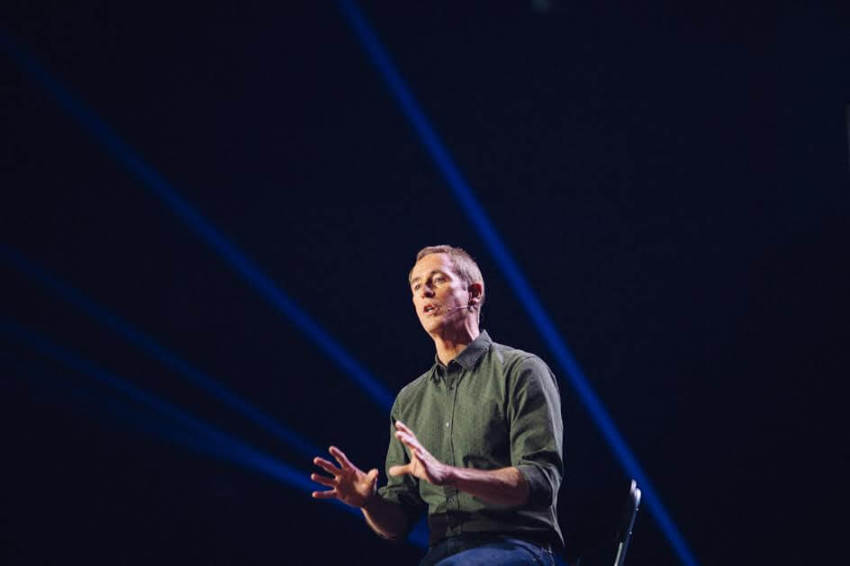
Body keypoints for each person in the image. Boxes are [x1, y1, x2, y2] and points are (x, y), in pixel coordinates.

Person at [311, 245, 564, 565]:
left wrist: (449, 474)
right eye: (417, 287)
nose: (425, 290)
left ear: (473, 293)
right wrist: (369, 501)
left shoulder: (520, 371)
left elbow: (540, 481)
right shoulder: (410, 400)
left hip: (518, 545)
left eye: (438, 279)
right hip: (442, 554)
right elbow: (397, 522)